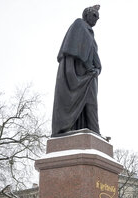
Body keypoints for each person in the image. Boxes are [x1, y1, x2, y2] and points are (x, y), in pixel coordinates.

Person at [52, 5, 102, 137]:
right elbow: (76, 48)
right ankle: (69, 129)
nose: (97, 19)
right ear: (86, 15)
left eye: (98, 17)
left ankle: (94, 132)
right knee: (77, 101)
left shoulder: (90, 32)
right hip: (78, 72)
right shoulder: (79, 24)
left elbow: (93, 54)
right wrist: (89, 67)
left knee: (91, 103)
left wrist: (98, 68)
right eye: (94, 16)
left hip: (90, 75)